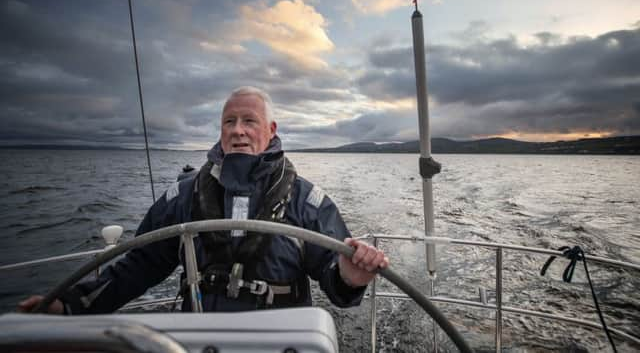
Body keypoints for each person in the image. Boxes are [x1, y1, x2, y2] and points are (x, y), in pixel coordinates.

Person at [19, 86, 388, 314]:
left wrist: (350, 277)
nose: (238, 130)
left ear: (271, 130)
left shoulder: (307, 200)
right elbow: (137, 265)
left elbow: (338, 287)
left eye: (249, 121)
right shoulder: (184, 195)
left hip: (284, 334)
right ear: (220, 129)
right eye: (230, 122)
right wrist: (68, 303)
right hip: (198, 333)